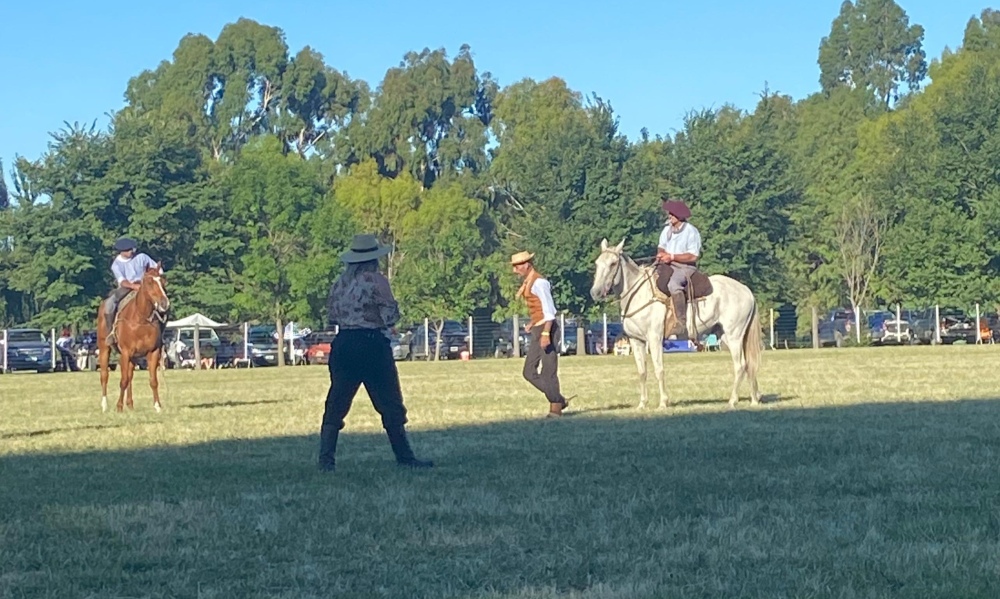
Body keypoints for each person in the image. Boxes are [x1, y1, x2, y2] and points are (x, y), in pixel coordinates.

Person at [318, 233, 433, 472]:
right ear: (373, 258)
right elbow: (391, 316)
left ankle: (326, 459)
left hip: (344, 343)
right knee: (389, 401)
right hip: (371, 344)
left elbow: (331, 315)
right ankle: (405, 456)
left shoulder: (340, 283)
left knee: (337, 401)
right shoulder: (377, 281)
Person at [511, 250, 572, 418]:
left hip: (548, 329)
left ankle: (555, 409)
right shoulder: (529, 282)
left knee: (548, 370)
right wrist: (533, 322)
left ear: (526, 265)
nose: (515, 271)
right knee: (529, 372)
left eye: (517, 267)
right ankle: (558, 399)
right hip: (539, 327)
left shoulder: (539, 283)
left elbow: (550, 311)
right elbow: (540, 310)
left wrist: (546, 333)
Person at [654, 198, 702, 339]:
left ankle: (681, 322)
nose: (669, 216)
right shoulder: (666, 230)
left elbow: (693, 256)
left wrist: (672, 257)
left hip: (685, 267)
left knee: (673, 284)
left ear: (680, 216)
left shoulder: (691, 232)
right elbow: (661, 245)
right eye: (669, 213)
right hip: (667, 264)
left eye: (672, 214)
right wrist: (661, 254)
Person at [103, 237, 161, 345]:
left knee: (162, 302)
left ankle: (160, 333)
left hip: (145, 285)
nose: (131, 251)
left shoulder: (142, 257)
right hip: (127, 287)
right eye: (128, 250)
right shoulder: (116, 265)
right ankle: (111, 331)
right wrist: (134, 286)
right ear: (122, 251)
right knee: (109, 304)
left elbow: (157, 269)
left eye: (132, 249)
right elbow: (122, 281)